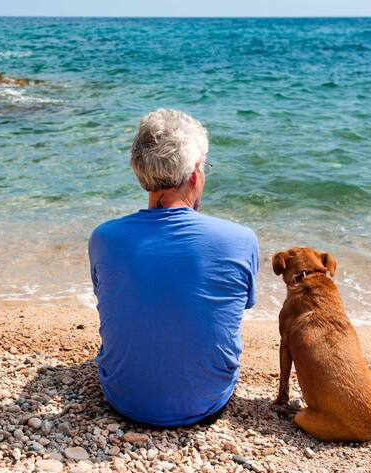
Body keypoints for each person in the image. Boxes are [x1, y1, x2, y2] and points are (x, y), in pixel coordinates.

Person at [88, 109, 260, 427]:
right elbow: (234, 310)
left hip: (124, 398)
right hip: (207, 401)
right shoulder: (240, 239)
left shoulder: (104, 238)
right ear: (195, 174)